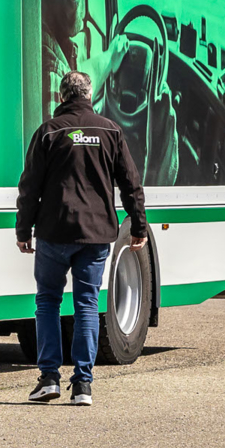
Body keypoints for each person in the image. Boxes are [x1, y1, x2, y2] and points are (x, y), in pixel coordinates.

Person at [15, 70, 148, 405]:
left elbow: (29, 188)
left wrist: (23, 230)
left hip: (54, 231)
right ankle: (83, 385)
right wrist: (139, 226)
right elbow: (131, 184)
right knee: (87, 303)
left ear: (62, 96)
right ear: (89, 95)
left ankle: (49, 378)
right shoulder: (110, 130)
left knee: (48, 301)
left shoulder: (48, 132)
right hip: (95, 234)